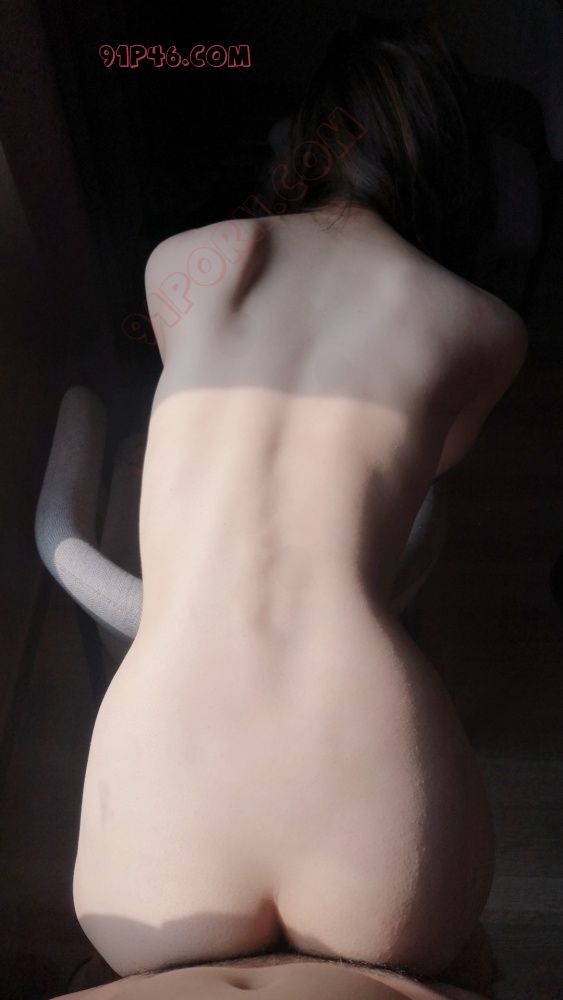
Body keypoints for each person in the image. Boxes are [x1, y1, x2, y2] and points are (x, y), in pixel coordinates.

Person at [55, 12, 528, 1000]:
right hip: (369, 774)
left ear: (307, 138)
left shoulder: (181, 264)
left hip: (166, 766)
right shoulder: (484, 328)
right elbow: (426, 475)